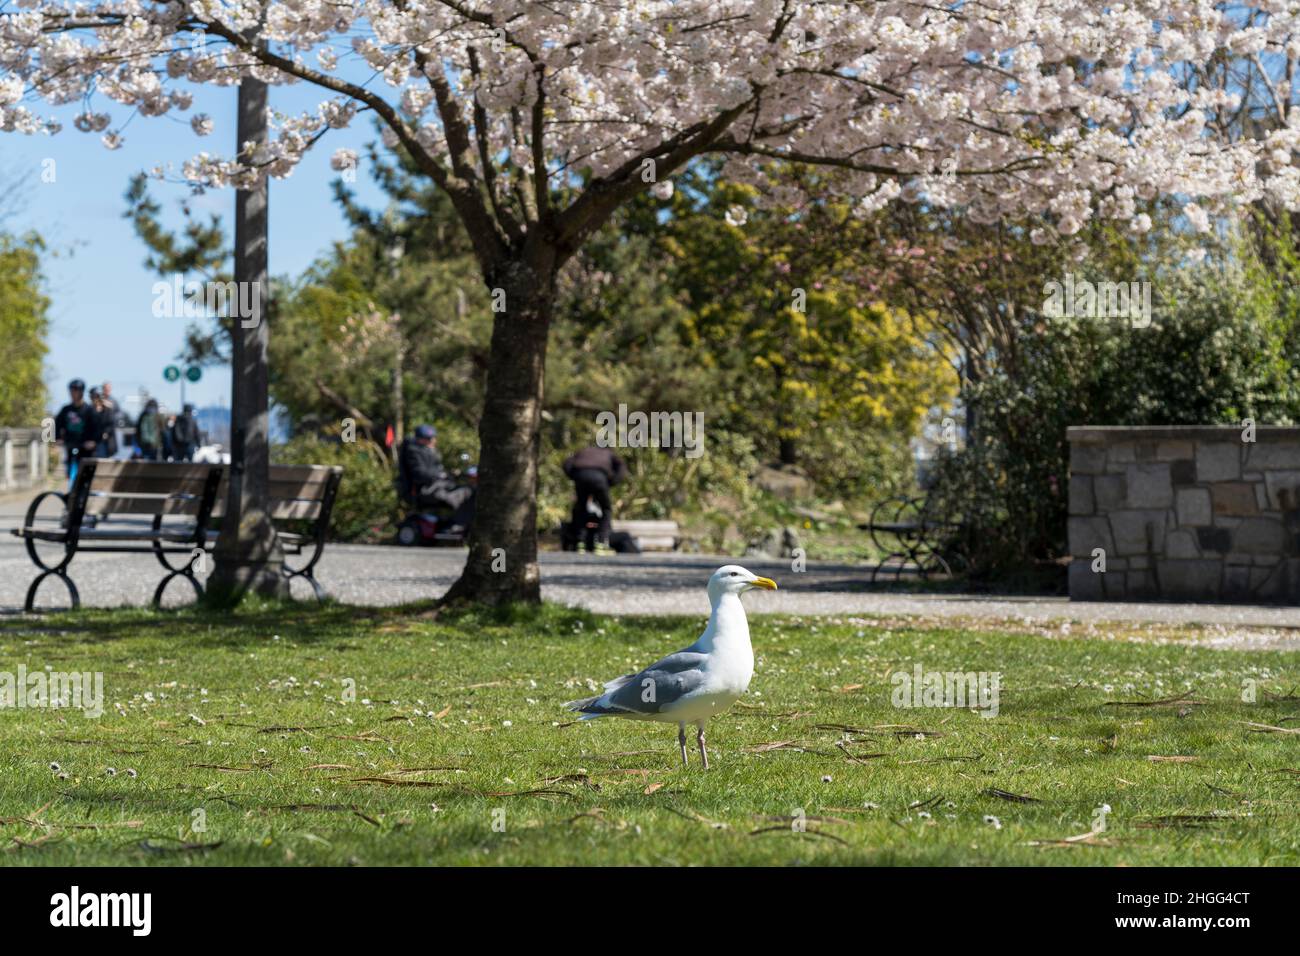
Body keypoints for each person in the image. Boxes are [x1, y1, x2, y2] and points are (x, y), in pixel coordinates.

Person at [398, 424, 474, 530]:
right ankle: (457, 525)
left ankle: (458, 523)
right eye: (430, 438)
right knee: (465, 492)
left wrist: (450, 474)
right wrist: (441, 475)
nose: (434, 441)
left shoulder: (430, 451)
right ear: (421, 439)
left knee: (467, 490)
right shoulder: (413, 452)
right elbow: (421, 474)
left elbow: (436, 470)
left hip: (436, 486)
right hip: (425, 490)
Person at [563, 445, 628, 553]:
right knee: (606, 509)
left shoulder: (584, 450)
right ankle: (601, 543)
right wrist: (612, 482)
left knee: (580, 509)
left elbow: (567, 463)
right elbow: (622, 466)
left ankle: (580, 543)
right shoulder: (609, 453)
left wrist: (573, 476)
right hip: (599, 478)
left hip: (581, 476)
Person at [54, 379, 100, 480]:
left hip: (85, 448)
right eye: (71, 391)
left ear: (81, 392)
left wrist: (93, 442)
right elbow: (57, 424)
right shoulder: (66, 409)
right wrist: (58, 438)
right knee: (70, 473)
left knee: (85, 475)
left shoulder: (89, 410)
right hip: (70, 445)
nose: (73, 393)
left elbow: (97, 428)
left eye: (76, 391)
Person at [88, 387, 117, 458]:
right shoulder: (89, 410)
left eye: (97, 396)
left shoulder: (107, 409)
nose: (95, 399)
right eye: (93, 397)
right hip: (93, 442)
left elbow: (111, 424)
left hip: (105, 443)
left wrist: (106, 433)